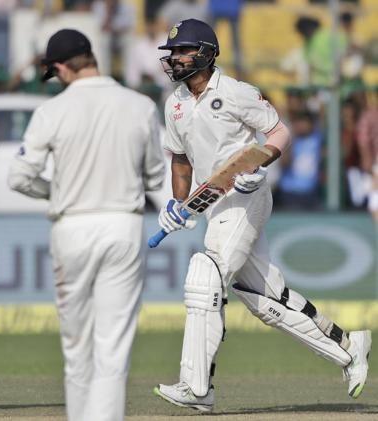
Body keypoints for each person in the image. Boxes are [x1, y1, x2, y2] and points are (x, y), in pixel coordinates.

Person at [151, 19, 371, 412]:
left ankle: (197, 386)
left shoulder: (236, 92)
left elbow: (278, 132)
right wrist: (176, 204)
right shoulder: (176, 104)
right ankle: (350, 346)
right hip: (215, 204)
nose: (175, 59)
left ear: (205, 53)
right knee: (266, 299)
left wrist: (258, 167)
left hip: (247, 196)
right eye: (172, 53)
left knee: (207, 275)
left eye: (183, 51)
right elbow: (181, 161)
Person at [8, 29, 165, 421]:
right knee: (112, 346)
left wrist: (56, 191)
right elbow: (156, 177)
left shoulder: (52, 111)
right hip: (123, 225)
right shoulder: (140, 105)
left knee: (77, 347)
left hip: (72, 226)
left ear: (60, 67)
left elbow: (18, 177)